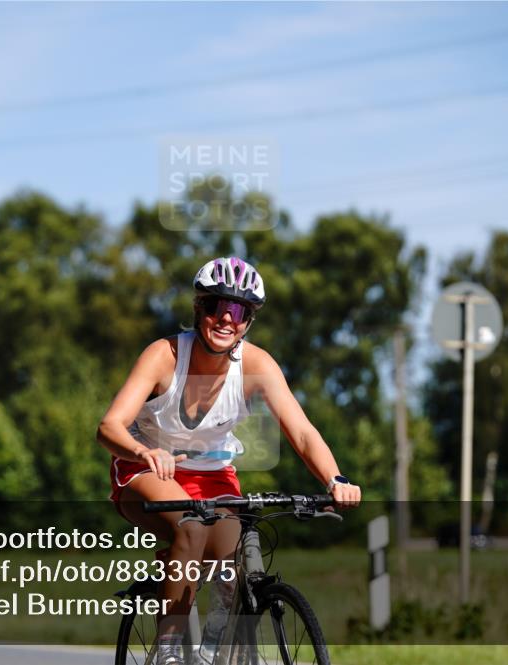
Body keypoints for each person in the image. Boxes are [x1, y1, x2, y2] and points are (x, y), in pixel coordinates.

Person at [97, 257, 361, 665]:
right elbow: (110, 426)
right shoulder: (164, 356)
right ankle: (168, 653)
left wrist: (335, 479)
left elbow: (303, 432)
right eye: (216, 306)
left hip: (214, 475)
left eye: (238, 311)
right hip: (147, 470)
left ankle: (215, 647)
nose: (226, 318)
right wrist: (144, 452)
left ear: (248, 320)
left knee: (229, 561)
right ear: (198, 309)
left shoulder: (257, 366)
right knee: (190, 527)